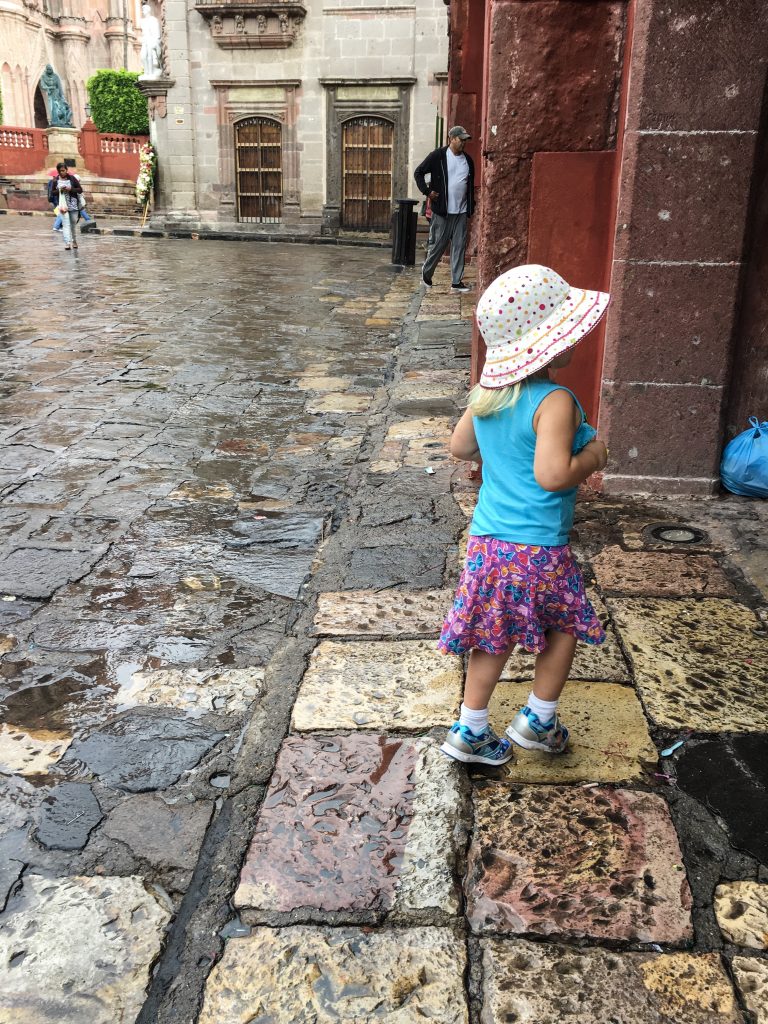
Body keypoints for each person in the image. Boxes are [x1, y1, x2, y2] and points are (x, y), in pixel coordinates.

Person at [438, 263, 610, 765]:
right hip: (537, 548)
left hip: (488, 541)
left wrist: (501, 449)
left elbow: (460, 446)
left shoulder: (488, 394)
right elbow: (554, 475)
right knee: (562, 628)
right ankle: (538, 719)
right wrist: (594, 457)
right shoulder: (555, 400)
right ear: (551, 344)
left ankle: (470, 728)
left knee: (492, 635)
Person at [414, 126, 475, 293]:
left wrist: (471, 205)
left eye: (465, 140)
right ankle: (426, 274)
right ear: (452, 139)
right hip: (442, 211)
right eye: (461, 139)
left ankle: (456, 282)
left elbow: (469, 186)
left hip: (461, 211)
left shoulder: (468, 160)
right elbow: (418, 172)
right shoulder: (438, 156)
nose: (464, 142)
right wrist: (427, 192)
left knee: (459, 245)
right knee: (438, 245)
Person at [47, 163, 83, 251]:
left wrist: (71, 189)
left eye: (63, 170)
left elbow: (80, 189)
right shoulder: (55, 180)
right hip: (63, 205)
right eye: (60, 171)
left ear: (66, 170)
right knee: (66, 224)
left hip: (73, 204)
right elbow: (52, 193)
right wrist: (60, 190)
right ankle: (67, 243)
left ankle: (74, 241)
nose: (62, 172)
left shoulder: (72, 178)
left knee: (73, 224)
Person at [139, 3, 163, 80]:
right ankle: (146, 72)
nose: (142, 11)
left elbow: (157, 32)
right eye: (142, 10)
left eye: (144, 10)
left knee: (150, 56)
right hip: (145, 39)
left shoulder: (153, 20)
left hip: (151, 39)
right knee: (143, 57)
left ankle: (150, 73)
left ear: (148, 10)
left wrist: (155, 41)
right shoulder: (142, 21)